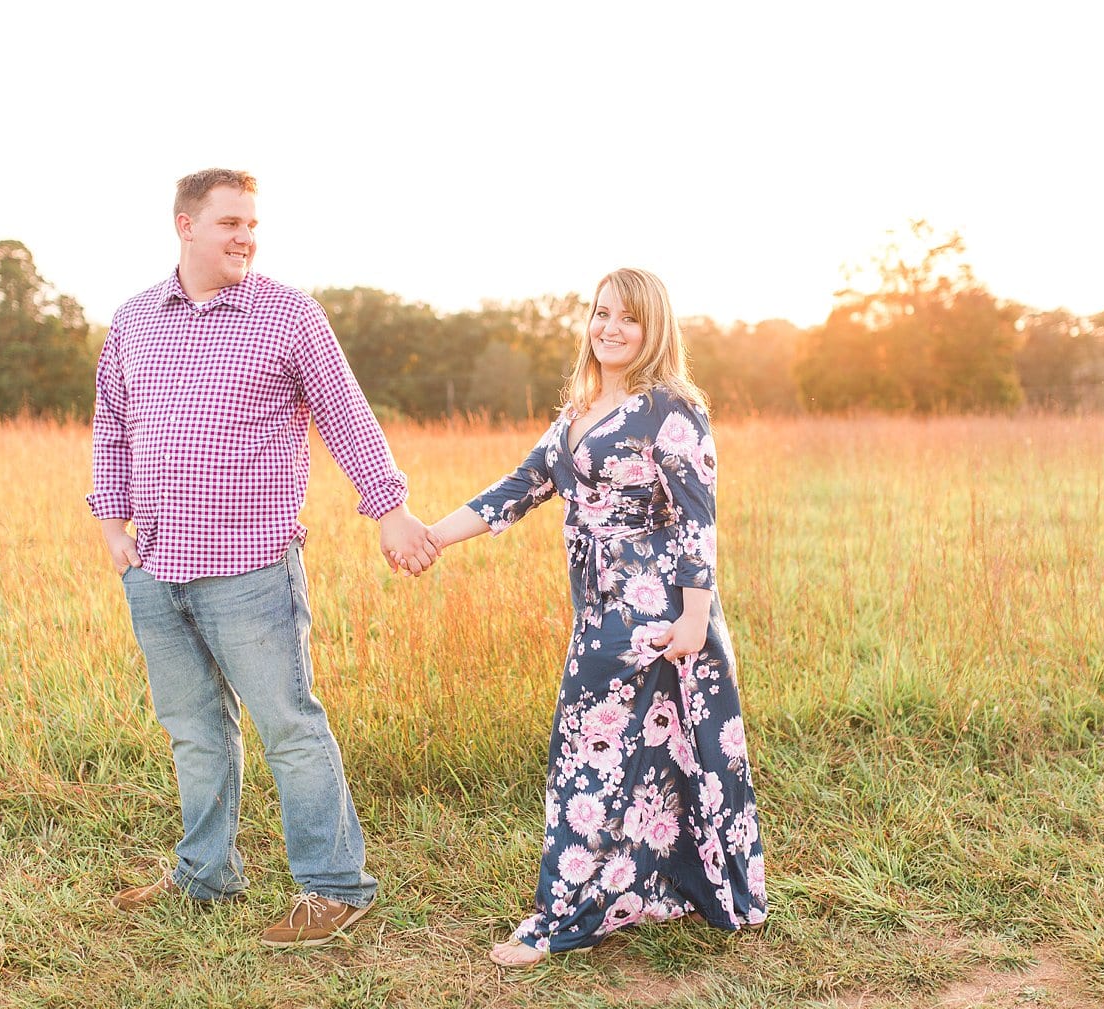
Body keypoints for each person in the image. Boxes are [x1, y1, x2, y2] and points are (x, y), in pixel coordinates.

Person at [87, 168, 438, 948]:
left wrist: (390, 509)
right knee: (193, 729)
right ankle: (205, 873)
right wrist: (112, 524)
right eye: (229, 223)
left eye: (251, 223)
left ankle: (335, 886)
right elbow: (110, 427)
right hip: (156, 567)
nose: (245, 236)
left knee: (289, 725)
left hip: (249, 566)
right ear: (185, 225)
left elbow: (347, 414)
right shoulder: (134, 321)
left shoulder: (287, 316)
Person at [416, 268, 768, 966]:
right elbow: (518, 489)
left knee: (587, 755)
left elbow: (698, 519)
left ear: (653, 327)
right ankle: (658, 888)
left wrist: (695, 617)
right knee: (649, 755)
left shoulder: (669, 407)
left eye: (627, 318)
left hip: (652, 609)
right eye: (601, 313)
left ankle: (561, 918)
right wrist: (430, 535)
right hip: (599, 606)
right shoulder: (580, 408)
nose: (609, 327)